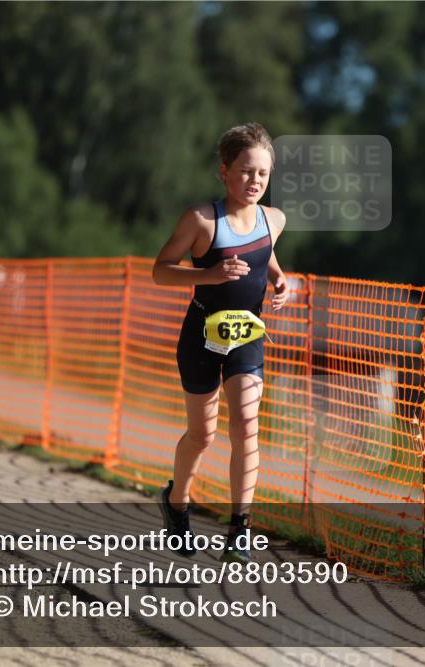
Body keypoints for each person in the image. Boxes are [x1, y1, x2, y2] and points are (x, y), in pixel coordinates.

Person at [152, 122, 289, 563]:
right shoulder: (201, 220)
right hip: (201, 338)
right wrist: (207, 275)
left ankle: (240, 527)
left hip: (247, 336)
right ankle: (176, 505)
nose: (255, 181)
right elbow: (160, 269)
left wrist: (279, 278)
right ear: (225, 171)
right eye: (247, 171)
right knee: (203, 434)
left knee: (247, 424)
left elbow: (263, 251)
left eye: (263, 174)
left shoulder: (274, 219)